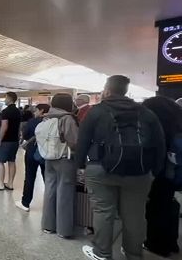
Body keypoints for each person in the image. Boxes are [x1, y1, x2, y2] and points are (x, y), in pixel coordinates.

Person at [77, 75, 165, 260]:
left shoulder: (97, 111)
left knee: (103, 211)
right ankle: (133, 253)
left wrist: (80, 167)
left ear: (107, 90)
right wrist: (155, 171)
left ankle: (102, 253)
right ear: (126, 91)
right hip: (139, 171)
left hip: (100, 168)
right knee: (135, 214)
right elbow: (160, 144)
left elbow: (83, 141)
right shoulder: (146, 113)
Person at [142, 96, 182, 257]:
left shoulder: (156, 127)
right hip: (174, 174)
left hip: (159, 173)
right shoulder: (177, 125)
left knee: (155, 209)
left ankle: (157, 245)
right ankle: (171, 242)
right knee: (168, 204)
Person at [39, 94, 79, 238]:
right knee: (65, 193)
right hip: (65, 159)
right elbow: (74, 141)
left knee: (50, 189)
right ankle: (64, 230)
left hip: (49, 158)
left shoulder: (46, 117)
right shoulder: (67, 118)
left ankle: (48, 226)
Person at [15, 104, 50, 212]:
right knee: (47, 179)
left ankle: (25, 203)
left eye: (36, 110)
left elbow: (25, 136)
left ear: (41, 110)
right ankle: (50, 205)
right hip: (46, 153)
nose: (34, 112)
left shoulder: (32, 122)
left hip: (32, 152)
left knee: (29, 177)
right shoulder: (52, 122)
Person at [0, 92, 21, 191]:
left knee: (0, 162)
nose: (4, 100)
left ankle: (0, 184)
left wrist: (0, 140)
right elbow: (18, 126)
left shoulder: (6, 111)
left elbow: (4, 126)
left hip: (6, 141)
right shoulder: (18, 111)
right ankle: (10, 184)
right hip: (14, 140)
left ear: (10, 99)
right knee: (12, 161)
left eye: (5, 98)